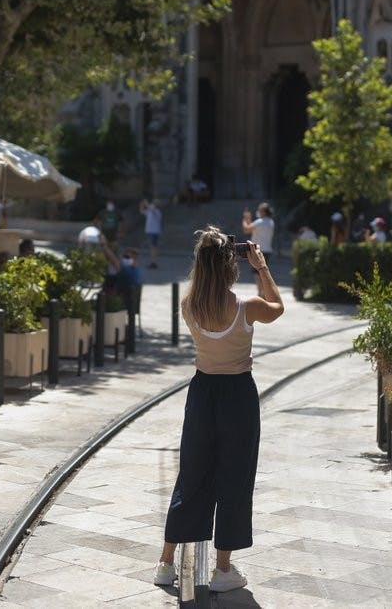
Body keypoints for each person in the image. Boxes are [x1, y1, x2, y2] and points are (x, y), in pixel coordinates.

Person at [154, 227, 284, 593]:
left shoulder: (188, 306)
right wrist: (261, 268)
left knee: (192, 474)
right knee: (234, 478)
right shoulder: (248, 308)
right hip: (238, 396)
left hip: (202, 393)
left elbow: (207, 292)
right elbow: (278, 306)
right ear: (231, 266)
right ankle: (222, 570)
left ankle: (166, 563)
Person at [241, 202, 275, 295]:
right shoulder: (270, 222)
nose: (258, 212)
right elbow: (253, 227)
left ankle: (261, 292)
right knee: (262, 270)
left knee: (257, 272)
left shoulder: (260, 221)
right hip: (267, 250)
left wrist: (245, 219)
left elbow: (246, 229)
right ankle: (263, 292)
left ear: (263, 211)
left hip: (258, 249)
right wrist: (249, 219)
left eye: (259, 210)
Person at [139, 198, 162, 268]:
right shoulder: (150, 211)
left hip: (154, 232)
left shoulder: (157, 212)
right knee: (152, 247)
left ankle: (153, 262)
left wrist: (146, 203)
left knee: (153, 247)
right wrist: (141, 205)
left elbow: (151, 209)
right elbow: (142, 211)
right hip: (150, 231)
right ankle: (152, 262)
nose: (152, 205)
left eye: (153, 204)